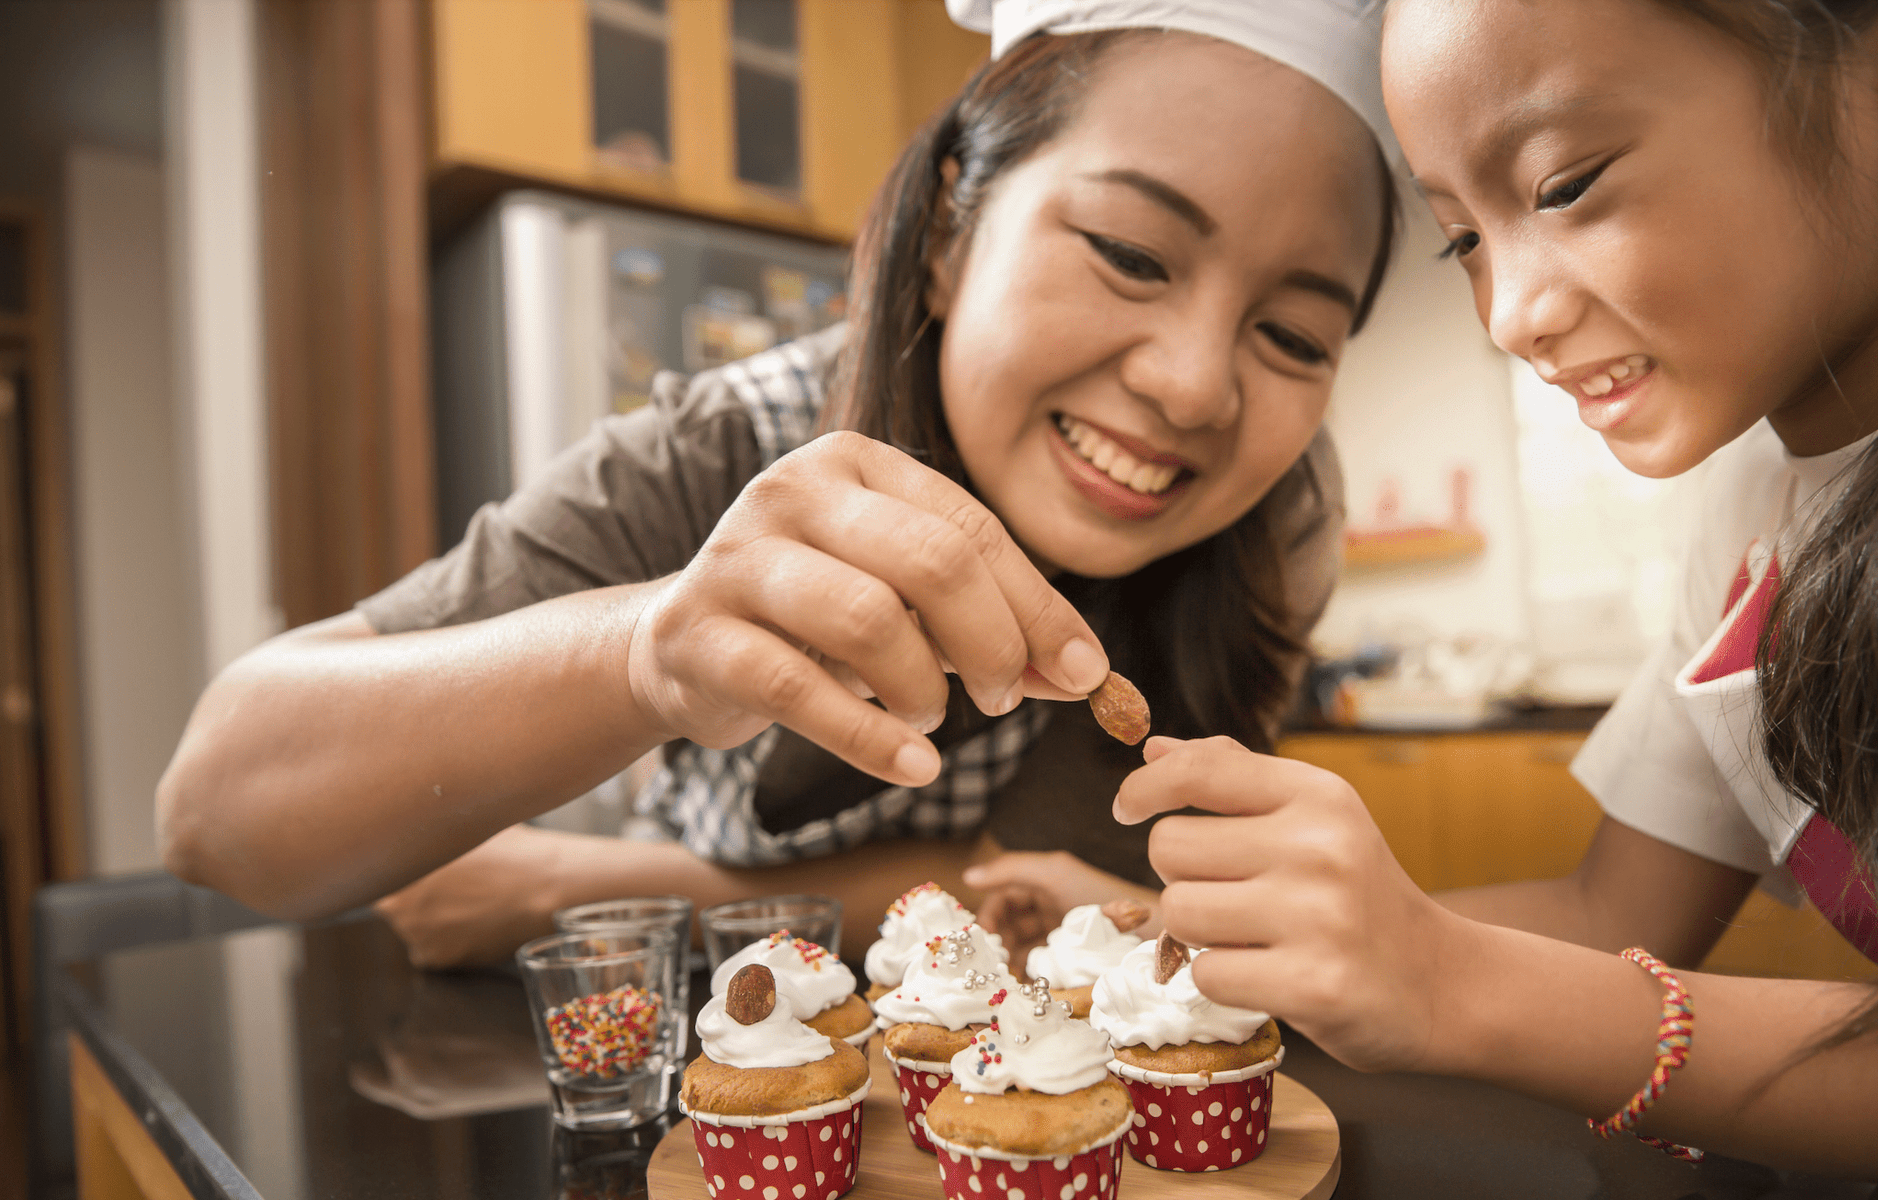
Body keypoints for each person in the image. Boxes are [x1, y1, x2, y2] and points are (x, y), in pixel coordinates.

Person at [154, 0, 1402, 969]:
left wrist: (586, 888)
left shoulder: (1267, 524)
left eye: (1292, 336)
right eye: (1132, 254)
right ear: (950, 235)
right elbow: (219, 815)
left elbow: (1043, 899)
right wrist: (646, 653)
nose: (1195, 390)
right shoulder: (721, 448)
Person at [1121, 0, 1878, 1191]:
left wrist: (1444, 985)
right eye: (1461, 240)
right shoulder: (1756, 501)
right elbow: (1609, 911)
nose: (1509, 316)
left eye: (1564, 183)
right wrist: (1245, 932)